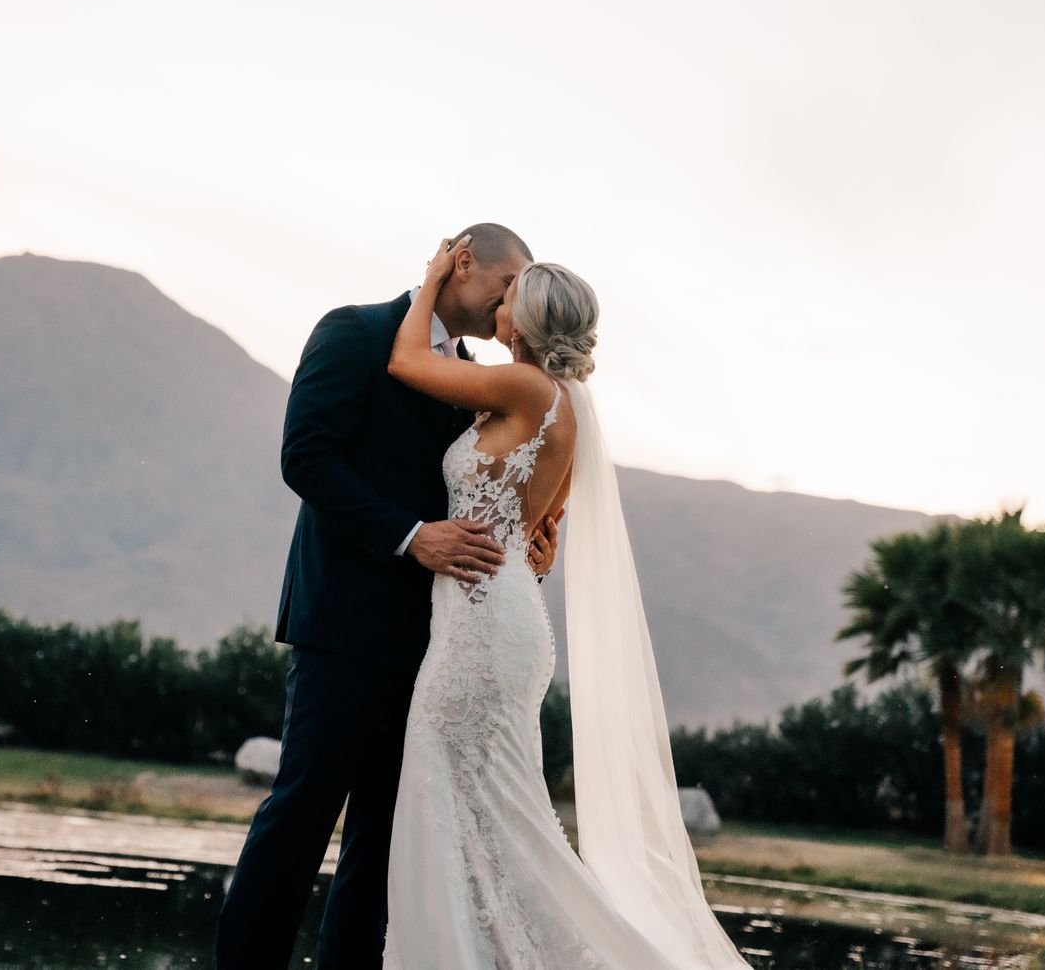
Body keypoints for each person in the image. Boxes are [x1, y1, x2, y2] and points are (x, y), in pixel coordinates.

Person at [379, 240, 751, 968]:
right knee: (495, 815)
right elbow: (540, 525)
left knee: (464, 801)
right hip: (501, 611)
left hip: (482, 626)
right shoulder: (563, 405)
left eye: (514, 290)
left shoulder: (524, 389)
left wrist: (427, 282)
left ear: (524, 321)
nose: (502, 296)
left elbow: (406, 365)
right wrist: (533, 538)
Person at [215, 224, 561, 970]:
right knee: (301, 817)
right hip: (344, 624)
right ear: (461, 263)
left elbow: (495, 490)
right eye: (506, 290)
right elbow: (305, 455)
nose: (513, 310)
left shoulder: (479, 378)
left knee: (386, 839)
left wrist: (532, 533)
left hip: (441, 642)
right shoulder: (356, 332)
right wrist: (411, 535)